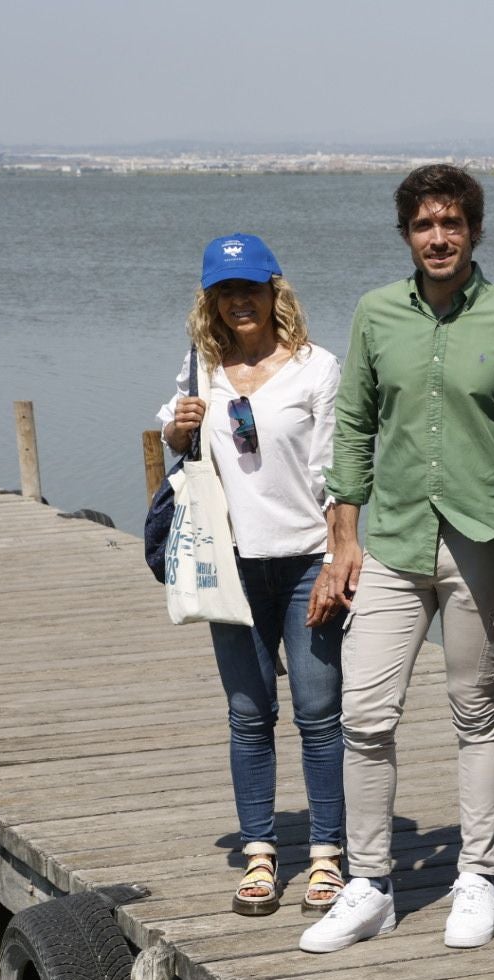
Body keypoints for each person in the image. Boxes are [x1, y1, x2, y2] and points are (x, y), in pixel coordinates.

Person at [299, 165, 494, 954]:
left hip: (483, 548)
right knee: (365, 715)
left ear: (475, 230)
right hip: (396, 543)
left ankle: (476, 873)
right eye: (423, 226)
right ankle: (370, 883)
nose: (438, 238)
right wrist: (343, 538)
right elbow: (353, 426)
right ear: (406, 233)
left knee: (478, 713)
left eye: (452, 224)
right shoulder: (376, 314)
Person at [159, 233, 345, 918]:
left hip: (304, 563)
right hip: (227, 566)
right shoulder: (201, 367)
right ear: (212, 302)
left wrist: (336, 559)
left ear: (275, 293)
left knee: (321, 713)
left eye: (251, 288)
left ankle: (326, 854)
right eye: (225, 291)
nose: (240, 300)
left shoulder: (318, 369)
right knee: (248, 714)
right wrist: (180, 430)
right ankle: (261, 852)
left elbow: (339, 473)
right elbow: (176, 439)